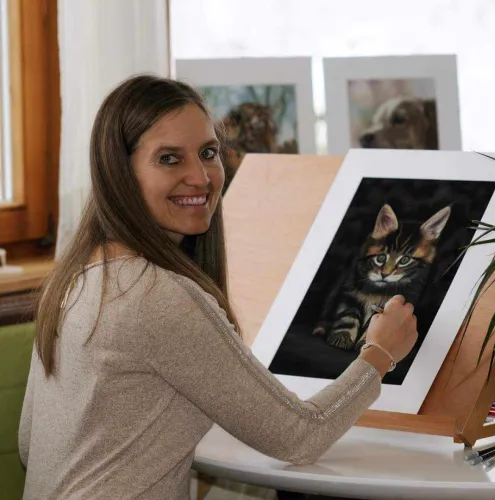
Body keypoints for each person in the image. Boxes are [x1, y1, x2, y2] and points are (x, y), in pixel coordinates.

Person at [18, 75, 418, 500]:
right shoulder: (156, 295)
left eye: (208, 153)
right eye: (169, 159)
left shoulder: (76, 276)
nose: (201, 177)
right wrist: (379, 354)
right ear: (121, 175)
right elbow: (301, 437)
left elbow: (30, 442)